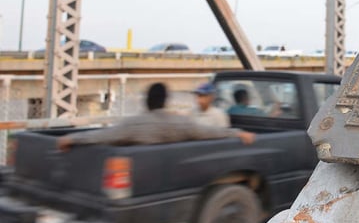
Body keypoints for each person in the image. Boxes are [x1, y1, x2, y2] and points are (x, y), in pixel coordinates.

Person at [57, 82, 254, 151]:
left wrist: (72, 139)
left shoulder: (134, 124)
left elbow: (102, 136)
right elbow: (211, 133)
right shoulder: (180, 123)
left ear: (146, 101)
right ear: (165, 101)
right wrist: (238, 134)